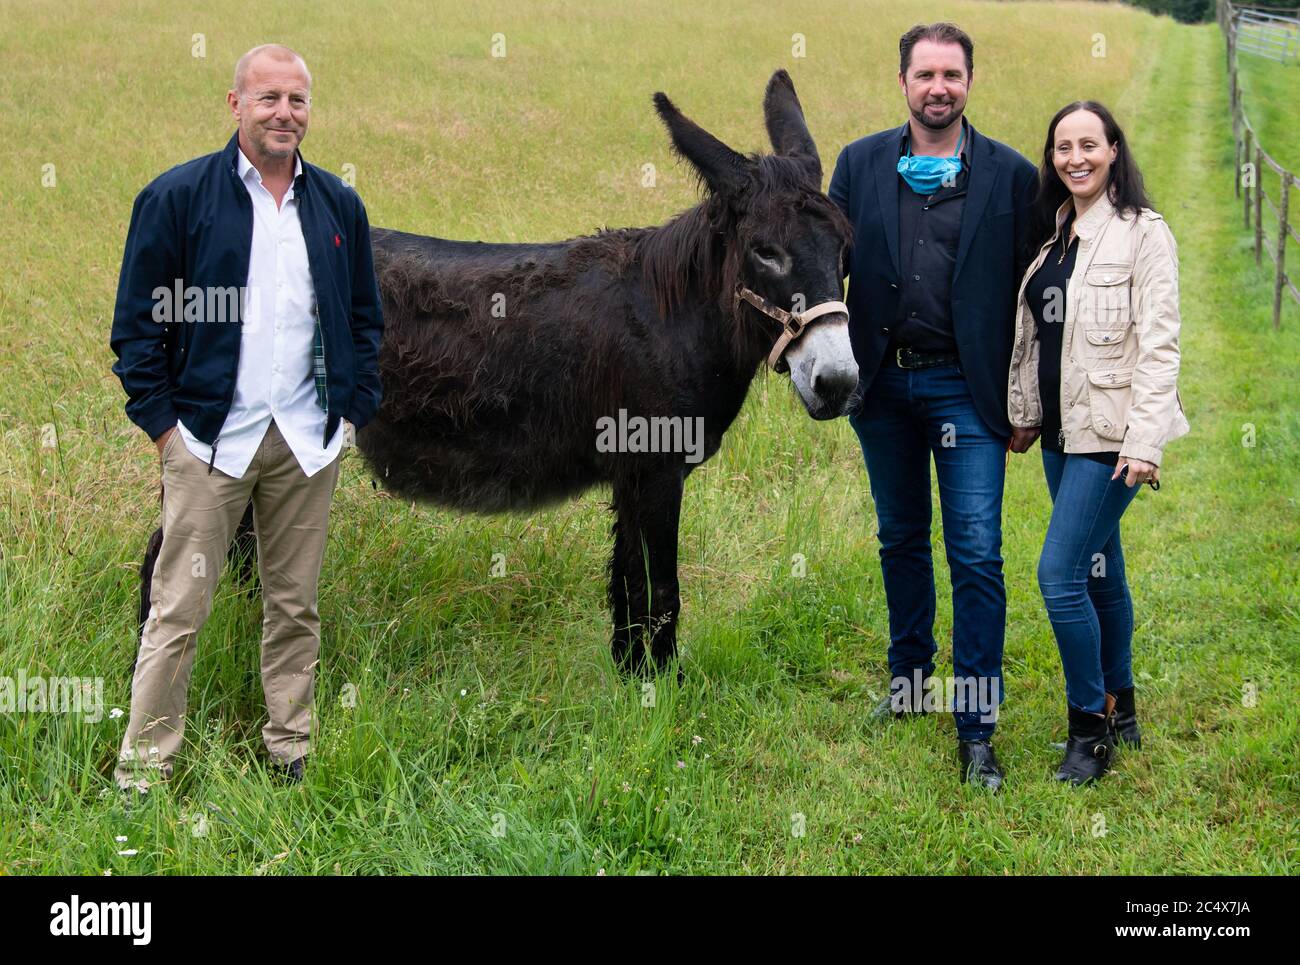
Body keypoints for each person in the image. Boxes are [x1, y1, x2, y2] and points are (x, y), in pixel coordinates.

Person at [109, 43, 385, 790]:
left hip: (305, 442)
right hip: (206, 444)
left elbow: (365, 321)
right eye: (268, 98)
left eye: (297, 100)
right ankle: (144, 772)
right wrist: (168, 430)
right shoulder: (176, 198)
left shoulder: (338, 205)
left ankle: (288, 750)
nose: (284, 113)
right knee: (177, 613)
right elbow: (137, 328)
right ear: (235, 104)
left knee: (295, 608)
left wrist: (350, 416)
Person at [829, 22, 1039, 790]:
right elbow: (829, 268)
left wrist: (1028, 398)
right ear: (904, 83)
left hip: (967, 388)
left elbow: (1032, 297)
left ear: (970, 82)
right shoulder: (858, 164)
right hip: (880, 385)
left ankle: (977, 726)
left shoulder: (1012, 177)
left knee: (977, 553)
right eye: (925, 74)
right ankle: (909, 681)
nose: (938, 87)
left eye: (952, 73)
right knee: (901, 539)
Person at [1007, 101, 1189, 785]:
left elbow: (1160, 342)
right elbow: (1039, 342)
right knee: (1099, 570)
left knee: (1059, 576)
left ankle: (1090, 728)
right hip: (1062, 433)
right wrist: (1024, 415)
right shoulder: (1056, 236)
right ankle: (1126, 708)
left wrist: (1145, 441)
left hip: (1112, 439)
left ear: (1113, 149)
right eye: (1062, 147)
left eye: (1089, 144)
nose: (1074, 157)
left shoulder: (1144, 233)